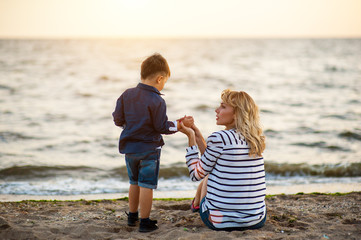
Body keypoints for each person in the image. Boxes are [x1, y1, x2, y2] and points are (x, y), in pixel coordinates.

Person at [112, 53, 192, 232]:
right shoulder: (157, 100)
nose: (163, 85)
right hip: (149, 150)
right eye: (164, 82)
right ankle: (145, 221)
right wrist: (179, 125)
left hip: (130, 149)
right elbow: (161, 126)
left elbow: (117, 119)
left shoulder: (126, 94)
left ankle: (132, 216)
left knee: (133, 182)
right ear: (159, 78)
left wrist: (129, 125)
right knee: (147, 185)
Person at [179, 89, 267, 231]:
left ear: (237, 113)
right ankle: (195, 204)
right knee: (214, 168)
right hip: (256, 219)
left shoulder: (219, 138)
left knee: (208, 173)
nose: (216, 110)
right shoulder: (256, 139)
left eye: (223, 107)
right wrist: (197, 133)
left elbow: (196, 174)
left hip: (219, 221)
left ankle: (196, 205)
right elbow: (212, 159)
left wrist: (190, 138)